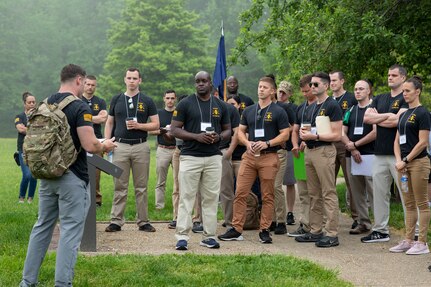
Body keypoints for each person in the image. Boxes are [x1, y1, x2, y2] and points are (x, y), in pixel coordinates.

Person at [19, 64, 116, 287]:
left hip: (46, 175)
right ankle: (63, 284)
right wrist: (106, 145)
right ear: (79, 80)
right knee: (70, 233)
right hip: (72, 178)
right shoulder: (80, 107)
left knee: (42, 226)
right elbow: (90, 145)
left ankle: (27, 282)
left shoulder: (45, 103)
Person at [218, 76, 290, 244]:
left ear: (272, 91)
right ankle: (236, 228)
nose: (261, 89)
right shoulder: (249, 110)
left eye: (265, 87)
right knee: (240, 192)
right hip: (249, 157)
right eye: (259, 86)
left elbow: (285, 134)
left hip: (269, 156)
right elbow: (240, 132)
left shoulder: (279, 111)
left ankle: (264, 230)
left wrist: (267, 143)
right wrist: (247, 142)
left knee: (267, 195)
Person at [171, 71, 231, 250]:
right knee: (186, 197)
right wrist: (196, 137)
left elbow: (228, 130)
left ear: (211, 83)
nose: (201, 84)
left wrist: (218, 137)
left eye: (204, 81)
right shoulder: (185, 104)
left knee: (211, 198)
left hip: (213, 157)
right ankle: (182, 236)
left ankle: (209, 236)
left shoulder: (221, 105)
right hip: (190, 157)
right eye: (197, 81)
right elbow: (174, 129)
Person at [104, 67, 159, 233]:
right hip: (120, 146)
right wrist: (107, 140)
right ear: (124, 80)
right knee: (119, 185)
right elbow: (109, 122)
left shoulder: (147, 101)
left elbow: (156, 124)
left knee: (141, 186)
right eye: (129, 78)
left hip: (141, 146)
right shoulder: (116, 99)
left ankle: (143, 221)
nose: (132, 81)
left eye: (135, 78)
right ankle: (116, 220)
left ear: (140, 80)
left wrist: (139, 126)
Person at [295, 71, 343, 248]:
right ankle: (315, 230)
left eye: (316, 84)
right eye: (311, 85)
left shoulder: (332, 105)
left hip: (324, 151)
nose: (312, 87)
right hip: (309, 151)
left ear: (326, 86)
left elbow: (337, 134)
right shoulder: (311, 106)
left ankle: (332, 233)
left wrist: (314, 137)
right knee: (313, 193)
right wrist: (304, 136)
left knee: (328, 192)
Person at [362, 64, 409, 243]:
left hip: (400, 155)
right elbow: (367, 118)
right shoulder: (380, 98)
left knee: (406, 195)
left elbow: (399, 121)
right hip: (379, 153)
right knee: (380, 193)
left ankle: (414, 232)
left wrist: (380, 117)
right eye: (389, 75)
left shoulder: (406, 98)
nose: (390, 77)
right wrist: (388, 116)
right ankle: (380, 230)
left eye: (394, 75)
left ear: (403, 78)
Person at [390, 76, 430, 255]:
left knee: (422, 203)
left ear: (418, 91)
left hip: (418, 163)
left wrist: (406, 160)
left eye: (407, 91)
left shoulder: (423, 113)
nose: (404, 94)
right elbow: (397, 140)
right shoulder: (404, 113)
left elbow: (423, 143)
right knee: (409, 204)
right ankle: (408, 239)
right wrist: (399, 160)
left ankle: (422, 242)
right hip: (403, 165)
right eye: (403, 91)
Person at [341, 79, 376, 234]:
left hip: (370, 155)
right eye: (355, 89)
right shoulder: (351, 110)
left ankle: (379, 225)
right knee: (356, 191)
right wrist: (351, 147)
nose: (357, 91)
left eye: (361, 89)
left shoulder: (374, 108)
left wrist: (356, 145)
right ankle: (363, 222)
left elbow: (375, 132)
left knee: (373, 191)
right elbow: (342, 132)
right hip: (352, 156)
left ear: (369, 91)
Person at [329, 71, 358, 229]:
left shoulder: (351, 98)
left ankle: (356, 217)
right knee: (327, 182)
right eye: (330, 81)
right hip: (329, 143)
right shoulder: (327, 100)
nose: (332, 83)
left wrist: (352, 144)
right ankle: (329, 218)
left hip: (345, 144)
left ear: (342, 81)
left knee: (350, 182)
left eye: (334, 80)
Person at [288, 74, 316, 237]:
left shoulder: (321, 106)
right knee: (303, 191)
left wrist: (307, 141)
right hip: (299, 155)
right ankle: (305, 223)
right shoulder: (301, 108)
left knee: (315, 191)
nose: (306, 94)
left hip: (314, 151)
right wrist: (295, 145)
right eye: (303, 92)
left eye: (308, 90)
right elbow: (295, 130)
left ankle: (317, 223)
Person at [215, 89, 240, 228]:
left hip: (223, 151)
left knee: (226, 189)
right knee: (202, 190)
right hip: (204, 152)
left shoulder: (230, 109)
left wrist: (229, 151)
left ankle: (229, 221)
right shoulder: (200, 107)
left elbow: (237, 131)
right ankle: (199, 220)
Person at [275, 80, 297, 232]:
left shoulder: (293, 108)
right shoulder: (273, 106)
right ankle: (276, 213)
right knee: (275, 184)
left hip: (292, 148)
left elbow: (295, 127)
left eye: (284, 92)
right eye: (279, 91)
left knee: (291, 182)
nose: (281, 94)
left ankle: (290, 212)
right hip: (275, 149)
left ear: (290, 93)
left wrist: (285, 132)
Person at [82, 75, 107, 207]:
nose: (90, 87)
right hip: (80, 140)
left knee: (96, 172)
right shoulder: (77, 99)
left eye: (93, 85)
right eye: (88, 84)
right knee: (80, 170)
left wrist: (84, 117)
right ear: (83, 84)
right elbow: (98, 118)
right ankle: (81, 198)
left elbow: (103, 119)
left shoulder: (100, 102)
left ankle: (96, 199)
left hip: (97, 140)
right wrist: (94, 117)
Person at [149, 90, 177, 210]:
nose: (170, 100)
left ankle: (178, 204)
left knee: (179, 180)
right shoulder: (159, 113)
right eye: (168, 98)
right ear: (164, 99)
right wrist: (162, 131)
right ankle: (159, 206)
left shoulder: (179, 113)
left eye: (172, 98)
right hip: (163, 149)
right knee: (161, 180)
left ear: (175, 99)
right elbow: (150, 131)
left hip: (177, 149)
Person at [15, 92, 37, 204]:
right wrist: (35, 130)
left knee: (34, 175)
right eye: (30, 102)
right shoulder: (19, 117)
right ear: (25, 104)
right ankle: (21, 198)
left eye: (34, 102)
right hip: (22, 149)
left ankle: (30, 199)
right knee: (27, 175)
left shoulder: (38, 116)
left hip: (36, 149)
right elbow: (20, 129)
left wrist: (28, 129)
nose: (32, 104)